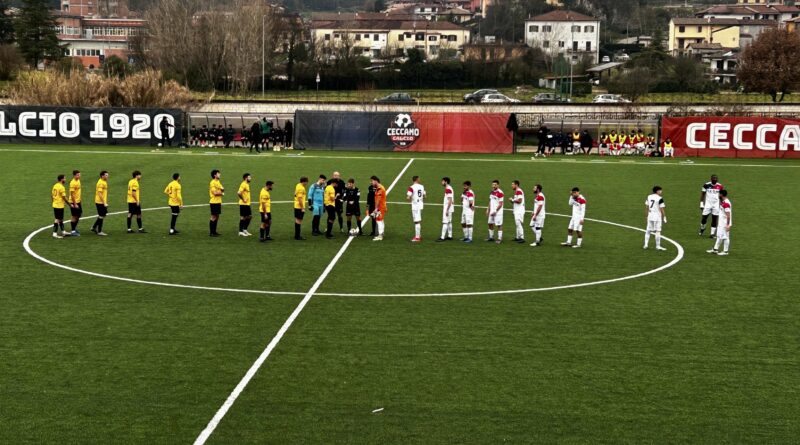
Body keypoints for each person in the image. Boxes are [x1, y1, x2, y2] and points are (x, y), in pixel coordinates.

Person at [707, 189, 732, 256]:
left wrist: (728, 225)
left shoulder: (726, 203)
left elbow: (728, 215)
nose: (718, 195)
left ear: (721, 194)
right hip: (721, 223)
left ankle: (725, 251)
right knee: (719, 236)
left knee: (726, 237)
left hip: (725, 223)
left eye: (719, 194)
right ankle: (715, 249)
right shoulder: (723, 202)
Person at [644, 186, 667, 251]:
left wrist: (646, 216)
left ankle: (645, 244)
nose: (661, 192)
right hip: (657, 217)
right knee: (658, 231)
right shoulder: (660, 198)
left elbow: (647, 207)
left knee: (648, 230)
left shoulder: (649, 196)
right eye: (660, 190)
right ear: (657, 191)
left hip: (650, 216)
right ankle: (658, 246)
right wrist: (664, 217)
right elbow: (661, 209)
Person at [407, 175, 426, 242]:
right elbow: (424, 196)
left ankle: (417, 237)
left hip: (415, 206)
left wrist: (412, 199)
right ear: (416, 179)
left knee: (416, 221)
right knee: (418, 220)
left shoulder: (411, 187)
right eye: (419, 178)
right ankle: (418, 235)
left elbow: (408, 197)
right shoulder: (422, 186)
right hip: (420, 204)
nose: (420, 179)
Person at [90, 170, 109, 236]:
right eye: (106, 175)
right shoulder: (101, 183)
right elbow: (100, 193)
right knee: (101, 216)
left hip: (101, 202)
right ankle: (99, 231)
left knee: (103, 215)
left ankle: (94, 227)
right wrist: (104, 203)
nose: (107, 176)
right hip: (100, 202)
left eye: (107, 175)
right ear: (102, 176)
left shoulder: (104, 181)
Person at [437, 177, 454, 242]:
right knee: (449, 222)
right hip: (450, 208)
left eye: (443, 181)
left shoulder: (448, 189)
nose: (442, 182)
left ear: (446, 182)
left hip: (448, 208)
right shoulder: (449, 188)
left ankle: (442, 237)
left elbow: (450, 200)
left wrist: (447, 210)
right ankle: (450, 236)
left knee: (445, 222)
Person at [486, 180, 504, 244]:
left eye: (495, 185)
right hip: (491, 211)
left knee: (499, 225)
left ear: (498, 185)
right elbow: (490, 201)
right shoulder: (492, 192)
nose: (493, 186)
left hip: (498, 212)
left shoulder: (500, 192)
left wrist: (495, 211)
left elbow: (501, 204)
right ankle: (491, 237)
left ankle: (499, 238)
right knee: (490, 223)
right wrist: (488, 209)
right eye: (493, 184)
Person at [51, 174, 68, 239]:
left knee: (60, 218)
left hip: (55, 204)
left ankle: (63, 231)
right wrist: (69, 204)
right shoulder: (61, 187)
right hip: (59, 205)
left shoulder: (55, 185)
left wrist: (53, 201)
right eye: (64, 178)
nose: (65, 179)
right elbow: (64, 197)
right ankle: (54, 233)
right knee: (57, 219)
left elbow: (52, 195)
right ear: (62, 179)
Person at [209, 169, 224, 237]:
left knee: (217, 216)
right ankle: (211, 232)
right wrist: (221, 193)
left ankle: (214, 231)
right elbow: (215, 193)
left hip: (218, 201)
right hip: (214, 202)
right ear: (215, 175)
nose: (219, 174)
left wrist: (221, 192)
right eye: (218, 173)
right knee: (213, 217)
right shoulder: (212, 182)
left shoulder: (218, 182)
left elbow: (222, 189)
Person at [371, 176, 387, 241]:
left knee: (379, 220)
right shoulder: (380, 187)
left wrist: (376, 209)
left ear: (376, 181)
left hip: (380, 207)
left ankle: (380, 236)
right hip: (382, 206)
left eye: (372, 181)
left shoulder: (380, 188)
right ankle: (382, 233)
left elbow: (378, 199)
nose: (371, 182)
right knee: (381, 220)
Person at [67, 170, 82, 236]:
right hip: (73, 202)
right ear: (74, 175)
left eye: (79, 174)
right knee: (74, 215)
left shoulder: (78, 181)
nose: (79, 176)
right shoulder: (72, 183)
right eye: (78, 175)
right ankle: (73, 231)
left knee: (79, 214)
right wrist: (75, 204)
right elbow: (72, 194)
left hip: (78, 201)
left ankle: (74, 228)